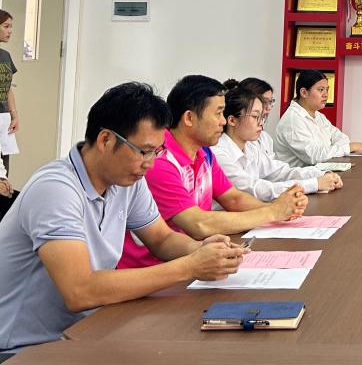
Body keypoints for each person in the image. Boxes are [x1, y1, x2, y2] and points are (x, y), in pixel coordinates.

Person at [0, 82, 244, 353]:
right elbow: (80, 290)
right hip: (23, 348)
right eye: (143, 151)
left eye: (157, 152)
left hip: (86, 329)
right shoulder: (56, 189)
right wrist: (190, 266)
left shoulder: (126, 181)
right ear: (105, 140)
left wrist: (204, 250)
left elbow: (161, 239)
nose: (150, 163)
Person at [119, 75, 308, 268]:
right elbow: (199, 224)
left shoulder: (204, 152)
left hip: (190, 258)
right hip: (155, 269)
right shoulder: (159, 161)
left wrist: (280, 210)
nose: (223, 121)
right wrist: (272, 212)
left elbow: (233, 198)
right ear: (189, 118)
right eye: (218, 114)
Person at [213, 81, 342, 201]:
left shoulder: (250, 148)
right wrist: (314, 183)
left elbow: (281, 172)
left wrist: (321, 174)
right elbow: (256, 189)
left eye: (262, 117)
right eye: (255, 116)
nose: (261, 123)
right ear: (232, 120)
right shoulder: (220, 154)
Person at [275, 70, 362, 166]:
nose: (325, 94)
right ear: (304, 92)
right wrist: (348, 148)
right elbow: (313, 156)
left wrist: (331, 151)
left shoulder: (319, 116)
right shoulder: (292, 120)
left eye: (327, 90)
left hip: (321, 171)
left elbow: (341, 138)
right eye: (321, 90)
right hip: (299, 175)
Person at [0, 10, 19, 177]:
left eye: (11, 27)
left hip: (3, 120)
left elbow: (7, 88)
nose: (10, 31)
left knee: (4, 171)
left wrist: (14, 115)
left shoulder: (5, 56)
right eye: (6, 26)